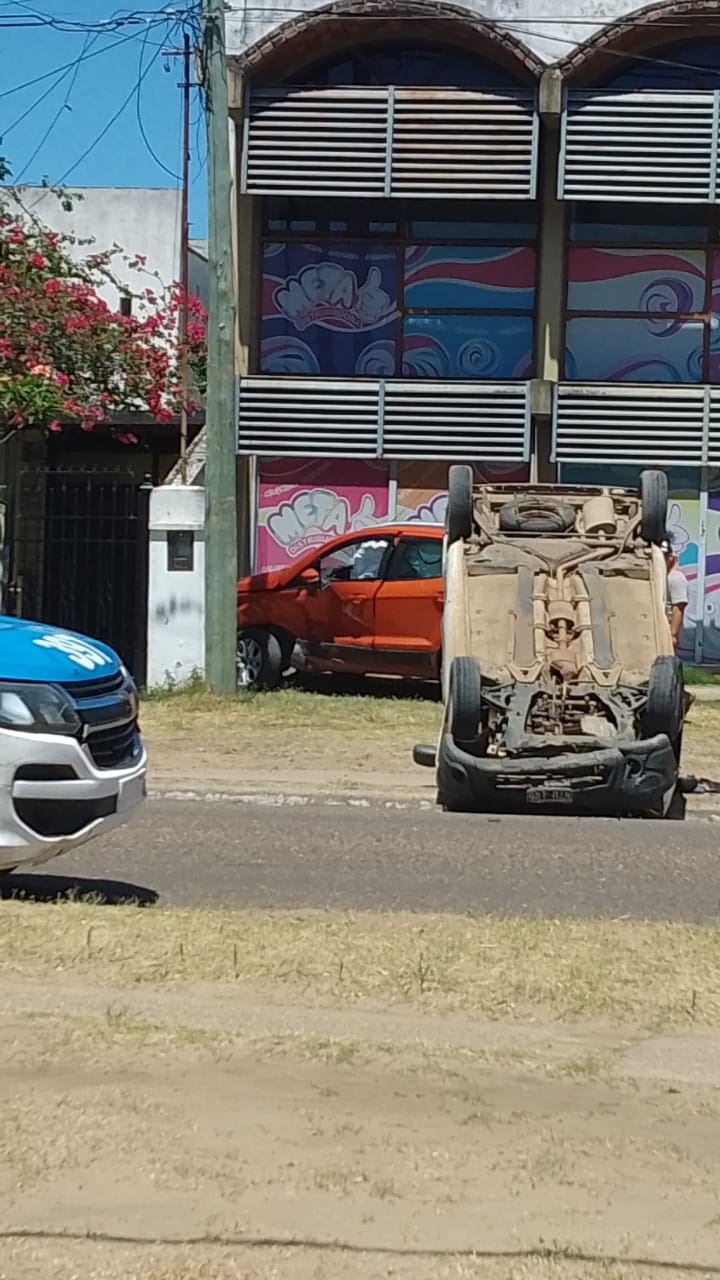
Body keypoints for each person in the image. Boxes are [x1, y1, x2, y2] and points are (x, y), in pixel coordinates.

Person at [660, 536, 688, 652]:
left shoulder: (676, 578)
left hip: (668, 627)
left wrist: (673, 635)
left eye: (664, 556)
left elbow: (678, 608)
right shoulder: (664, 576)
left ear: (671, 557)